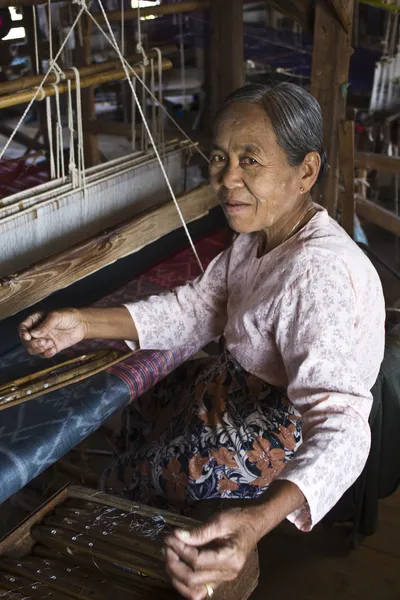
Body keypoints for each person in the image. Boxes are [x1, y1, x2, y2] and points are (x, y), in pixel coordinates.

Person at [19, 83, 385, 600]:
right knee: (145, 410)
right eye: (221, 156)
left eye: (250, 160)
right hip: (233, 388)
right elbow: (199, 307)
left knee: (137, 475)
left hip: (276, 428)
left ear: (306, 171)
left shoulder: (317, 275)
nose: (226, 178)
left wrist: (255, 522)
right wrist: (83, 322)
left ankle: (126, 542)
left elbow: (344, 424)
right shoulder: (260, 236)